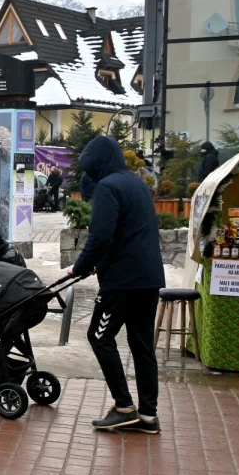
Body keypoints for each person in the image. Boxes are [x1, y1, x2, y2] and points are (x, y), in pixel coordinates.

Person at [68, 136, 165, 434]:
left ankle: (124, 407)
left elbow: (101, 237)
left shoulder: (107, 187)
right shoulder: (135, 183)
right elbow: (128, 232)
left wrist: (80, 266)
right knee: (141, 345)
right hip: (148, 278)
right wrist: (102, 261)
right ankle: (148, 415)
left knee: (99, 337)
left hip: (123, 282)